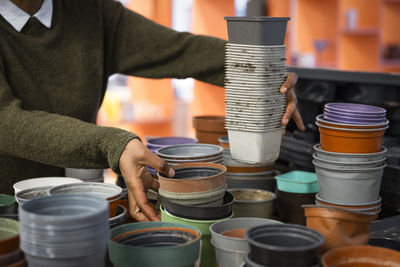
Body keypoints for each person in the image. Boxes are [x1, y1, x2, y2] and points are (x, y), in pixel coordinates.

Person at [0, 0, 305, 221]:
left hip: (74, 207)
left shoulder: (89, 10)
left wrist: (263, 70)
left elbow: (179, 49)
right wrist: (113, 143)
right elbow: (5, 121)